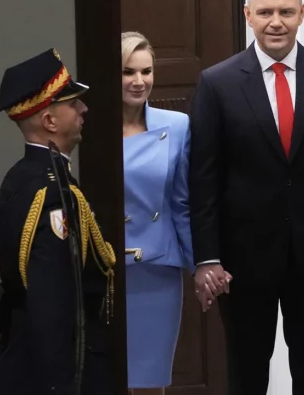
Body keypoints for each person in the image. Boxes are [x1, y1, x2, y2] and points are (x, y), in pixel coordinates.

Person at [188, 0, 304, 395]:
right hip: (242, 262)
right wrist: (208, 257)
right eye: (266, 12)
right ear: (247, 15)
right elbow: (203, 178)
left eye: (286, 12)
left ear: (302, 13)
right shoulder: (217, 83)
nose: (276, 22)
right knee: (246, 375)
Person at [0, 48, 117, 394]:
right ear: (50, 122)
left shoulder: (23, 177)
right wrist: (61, 386)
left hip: (23, 359)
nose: (84, 109)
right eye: (73, 104)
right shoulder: (52, 196)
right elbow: (53, 306)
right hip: (54, 371)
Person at [120, 31, 194, 394]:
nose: (139, 81)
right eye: (128, 71)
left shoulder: (176, 125)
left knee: (151, 381)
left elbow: (182, 202)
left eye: (146, 71)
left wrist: (201, 265)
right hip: (106, 267)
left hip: (157, 270)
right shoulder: (87, 125)